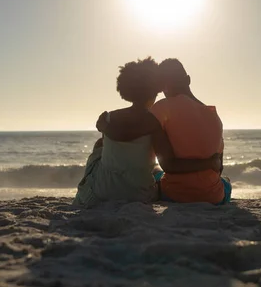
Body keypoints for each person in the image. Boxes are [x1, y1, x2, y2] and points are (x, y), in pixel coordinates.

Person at [74, 57, 220, 208]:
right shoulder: (156, 120)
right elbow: (167, 160)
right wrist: (209, 162)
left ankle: (85, 189)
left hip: (109, 189)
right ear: (155, 90)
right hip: (145, 193)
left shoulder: (115, 116)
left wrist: (105, 127)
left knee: (99, 148)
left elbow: (123, 136)